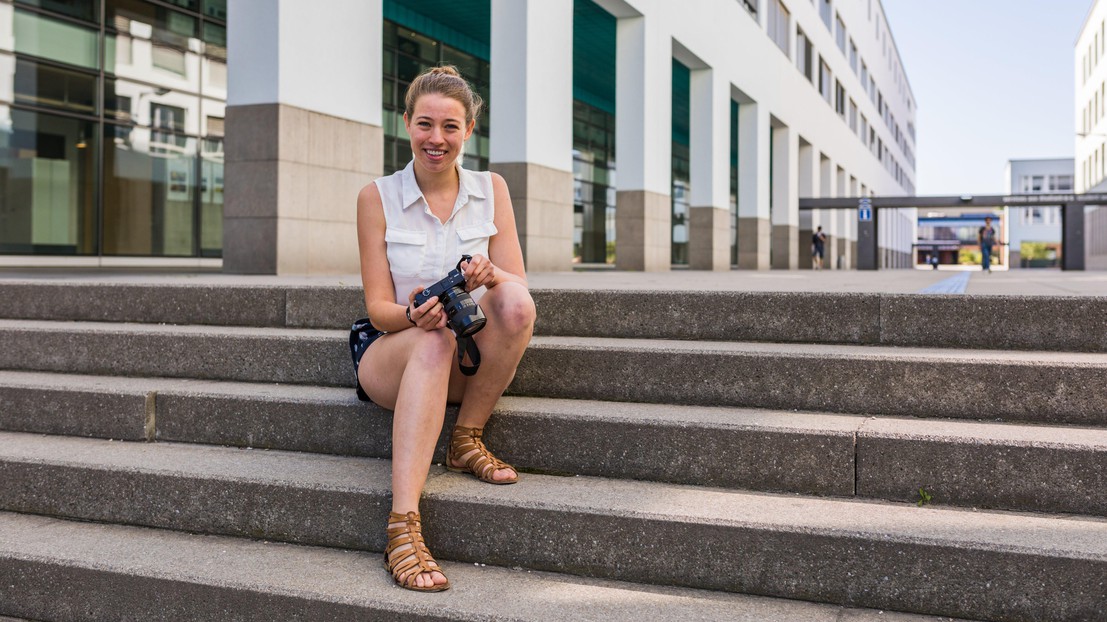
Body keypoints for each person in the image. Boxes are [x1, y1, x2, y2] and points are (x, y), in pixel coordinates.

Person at [351, 65, 536, 592]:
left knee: (517, 303)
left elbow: (517, 282)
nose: (437, 139)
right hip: (394, 356)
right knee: (432, 337)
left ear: (469, 131)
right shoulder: (376, 197)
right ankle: (402, 526)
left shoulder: (491, 188)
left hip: (468, 354)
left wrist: (488, 274)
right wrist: (413, 315)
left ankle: (466, 437)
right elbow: (379, 308)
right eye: (425, 124)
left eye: (450, 127)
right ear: (406, 122)